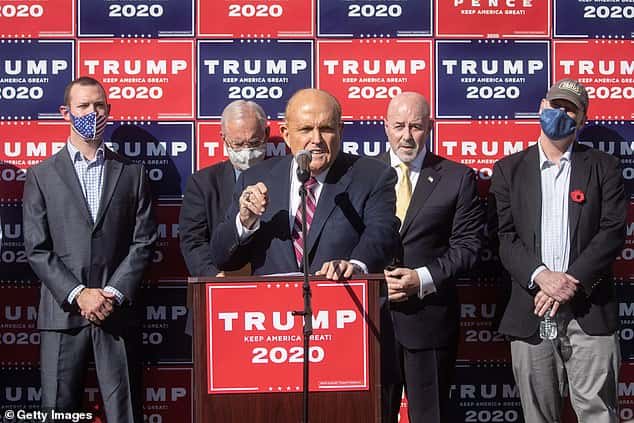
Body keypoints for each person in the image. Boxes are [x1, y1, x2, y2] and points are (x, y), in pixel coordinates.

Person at [489, 78, 625, 423]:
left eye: (570, 109)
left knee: (599, 415)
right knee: (538, 417)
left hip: (590, 311)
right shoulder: (508, 169)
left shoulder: (604, 166)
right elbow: (503, 237)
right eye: (555, 105)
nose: (561, 114)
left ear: (582, 119)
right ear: (541, 108)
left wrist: (570, 280)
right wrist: (542, 277)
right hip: (530, 311)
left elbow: (612, 232)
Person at [23, 76, 157, 422]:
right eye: (83, 106)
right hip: (62, 316)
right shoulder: (41, 175)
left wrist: (111, 293)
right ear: (65, 112)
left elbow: (143, 241)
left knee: (125, 414)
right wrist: (79, 294)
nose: (91, 113)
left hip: (116, 313)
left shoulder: (132, 174)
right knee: (58, 412)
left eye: (98, 105)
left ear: (108, 110)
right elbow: (37, 247)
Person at [211, 88, 400, 278]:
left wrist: (355, 267)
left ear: (340, 131)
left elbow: (382, 234)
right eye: (306, 129)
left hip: (342, 293)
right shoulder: (254, 178)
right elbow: (224, 259)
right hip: (274, 297)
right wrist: (245, 222)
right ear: (286, 134)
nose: (316, 140)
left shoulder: (373, 176)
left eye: (326, 129)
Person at [380, 92, 484, 423]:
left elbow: (468, 247)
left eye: (415, 127)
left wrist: (422, 279)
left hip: (429, 321)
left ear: (430, 127)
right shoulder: (361, 174)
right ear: (385, 127)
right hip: (372, 324)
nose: (406, 136)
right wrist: (376, 282)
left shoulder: (457, 177)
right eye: (399, 126)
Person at [179, 100, 268, 335]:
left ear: (266, 135)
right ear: (223, 139)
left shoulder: (286, 177)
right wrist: (214, 279)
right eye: (238, 144)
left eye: (254, 143)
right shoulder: (203, 183)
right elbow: (192, 241)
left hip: (272, 300)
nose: (247, 151)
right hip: (218, 294)